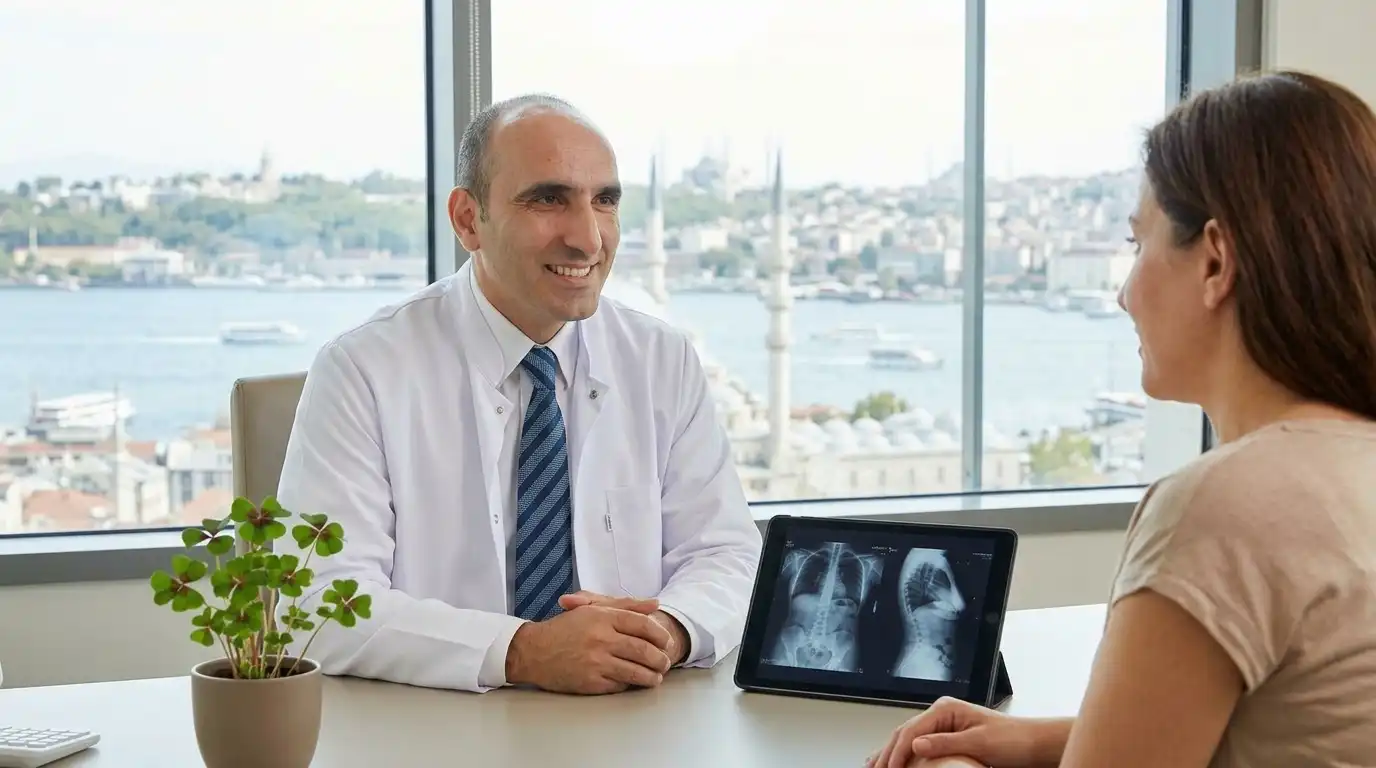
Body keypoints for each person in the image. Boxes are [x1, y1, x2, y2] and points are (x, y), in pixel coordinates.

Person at [869, 69, 1376, 768]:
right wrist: (1038, 740)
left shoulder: (1223, 507)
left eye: (1139, 245)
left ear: (1215, 262)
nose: (1122, 292)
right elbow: (1289, 722)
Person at [274, 94, 762, 695]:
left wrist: (669, 629)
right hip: (437, 730)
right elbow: (319, 606)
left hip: (634, 721)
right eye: (548, 200)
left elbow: (728, 555)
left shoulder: (662, 359)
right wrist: (521, 651)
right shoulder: (363, 369)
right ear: (467, 220)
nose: (587, 239)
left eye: (605, 201)